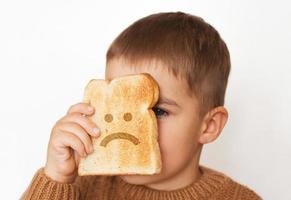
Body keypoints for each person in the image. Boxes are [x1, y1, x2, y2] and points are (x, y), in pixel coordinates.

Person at [21, 11, 261, 199]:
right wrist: (55, 178)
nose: (130, 128)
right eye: (116, 103)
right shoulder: (83, 188)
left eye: (157, 111)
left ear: (209, 126)